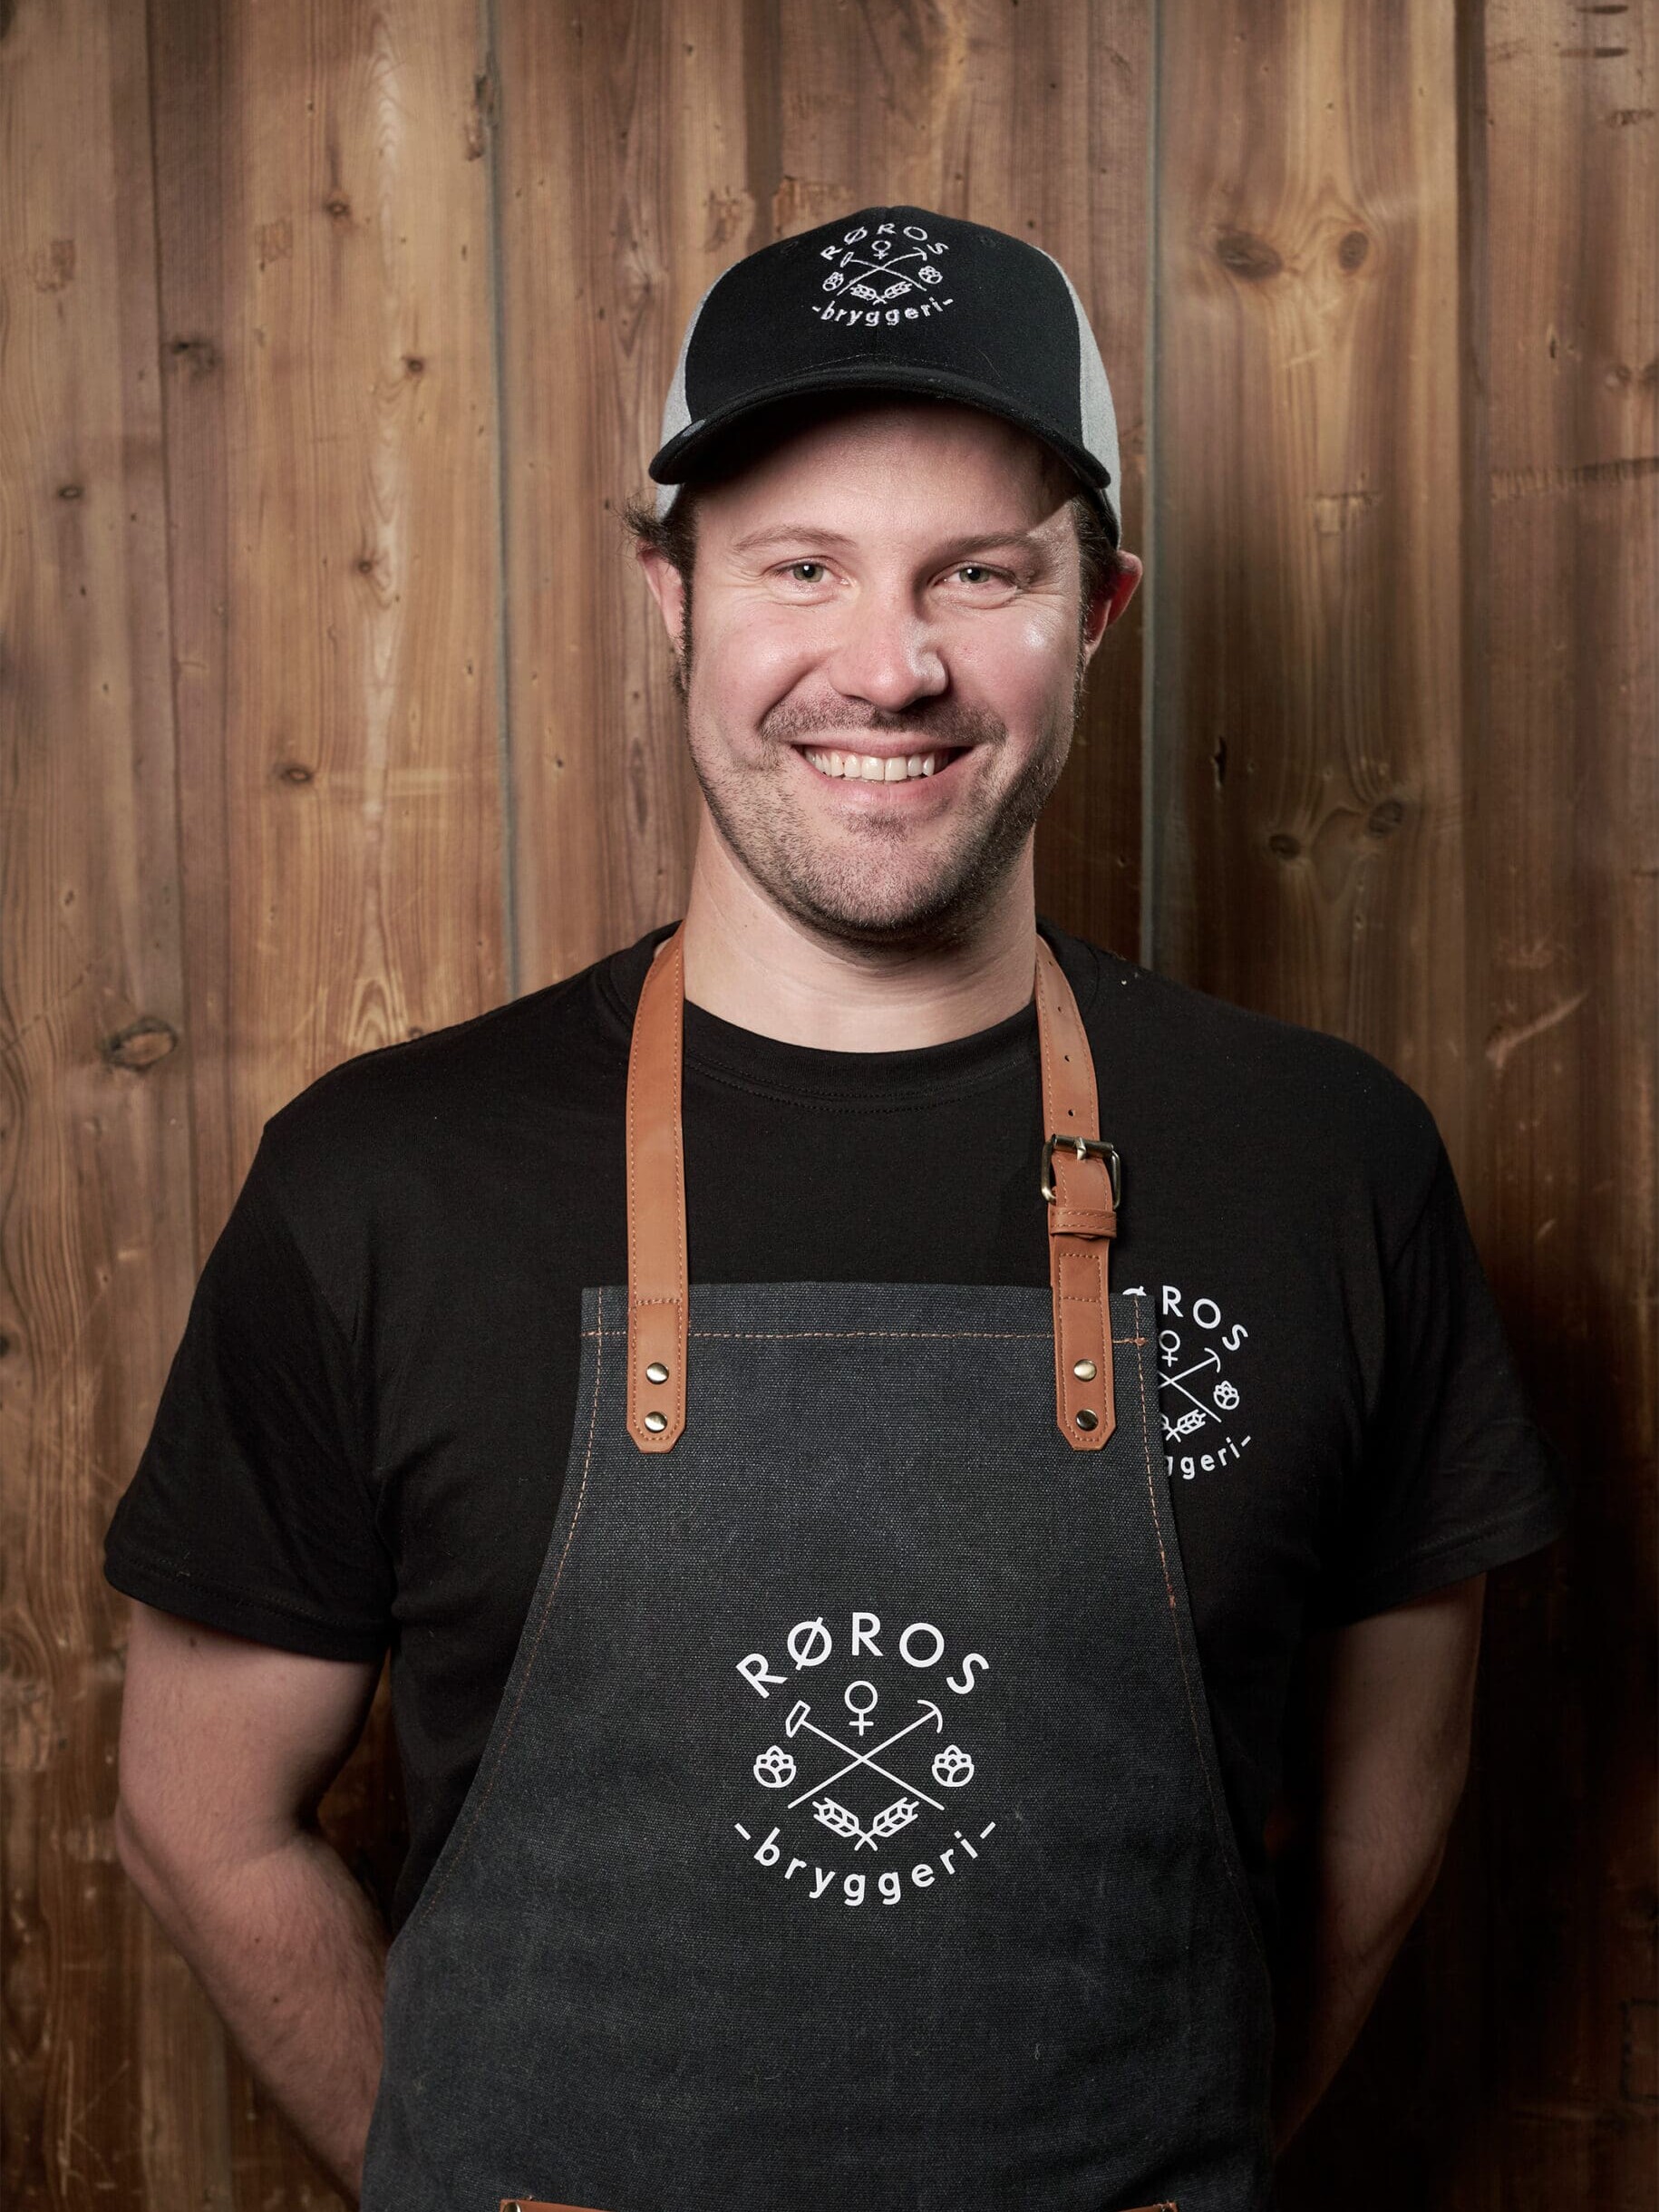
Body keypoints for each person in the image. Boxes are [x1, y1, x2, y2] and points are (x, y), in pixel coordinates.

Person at [105, 206, 1567, 2212]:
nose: (891, 664)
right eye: (802, 565)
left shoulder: (1328, 1165)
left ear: (1101, 608)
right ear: (671, 598)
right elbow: (198, 1813)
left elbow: (1398, 1804)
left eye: (981, 573)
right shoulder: (381, 1179)